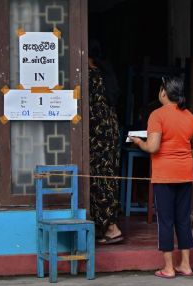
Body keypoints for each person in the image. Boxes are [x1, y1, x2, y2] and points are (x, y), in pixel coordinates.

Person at [130, 76, 193, 279]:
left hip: (164, 175)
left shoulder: (157, 115)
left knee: (165, 220)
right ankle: (186, 265)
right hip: (185, 174)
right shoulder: (191, 117)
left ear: (164, 92)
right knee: (183, 219)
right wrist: (184, 156)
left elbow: (153, 146)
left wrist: (139, 142)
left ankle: (169, 267)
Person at [88, 43, 123, 244]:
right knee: (107, 176)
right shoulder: (106, 74)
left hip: (97, 134)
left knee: (99, 178)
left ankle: (111, 228)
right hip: (109, 131)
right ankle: (108, 225)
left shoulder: (91, 76)